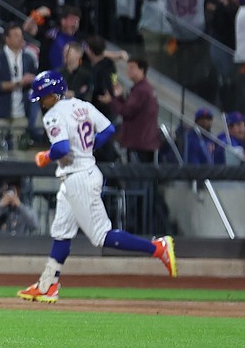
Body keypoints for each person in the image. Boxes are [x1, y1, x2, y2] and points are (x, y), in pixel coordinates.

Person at [17, 71, 176, 304]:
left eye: (43, 97)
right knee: (61, 231)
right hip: (81, 173)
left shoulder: (53, 115)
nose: (41, 101)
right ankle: (47, 284)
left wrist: (45, 156)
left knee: (101, 235)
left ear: (53, 94)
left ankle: (157, 247)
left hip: (78, 177)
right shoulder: (82, 106)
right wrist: (89, 147)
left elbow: (60, 149)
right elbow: (110, 130)